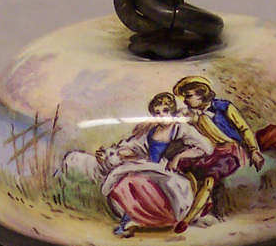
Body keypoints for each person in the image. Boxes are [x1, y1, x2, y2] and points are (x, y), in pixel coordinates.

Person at [99, 93, 213, 236]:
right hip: (147, 166)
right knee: (123, 181)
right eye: (157, 113)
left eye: (165, 111)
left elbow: (206, 147)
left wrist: (178, 157)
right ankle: (134, 217)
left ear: (172, 111)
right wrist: (117, 153)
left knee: (135, 181)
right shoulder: (151, 130)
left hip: (166, 172)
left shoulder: (180, 128)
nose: (161, 115)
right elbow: (136, 148)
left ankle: (152, 218)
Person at [172, 76, 265, 232]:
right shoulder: (191, 114)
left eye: (189, 96)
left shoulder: (224, 107)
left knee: (210, 178)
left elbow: (244, 129)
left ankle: (187, 220)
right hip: (210, 151)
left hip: (231, 150)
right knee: (184, 167)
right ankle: (203, 203)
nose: (186, 101)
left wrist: (254, 150)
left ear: (201, 94)